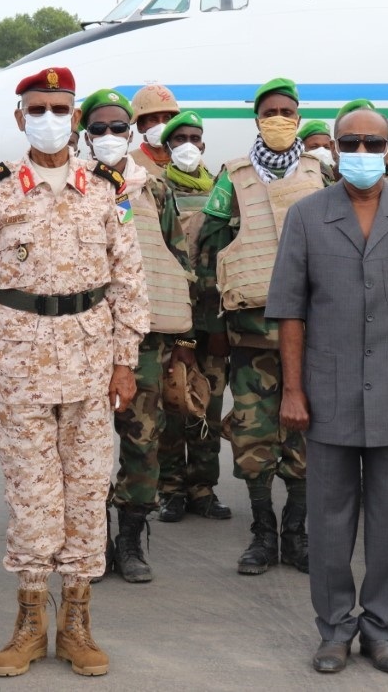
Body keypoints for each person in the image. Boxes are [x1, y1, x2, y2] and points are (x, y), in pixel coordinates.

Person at [0, 66, 148, 677]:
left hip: (91, 363)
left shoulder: (105, 192)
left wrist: (125, 361)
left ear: (75, 118)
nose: (48, 119)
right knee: (32, 494)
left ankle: (79, 624)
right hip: (19, 364)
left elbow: (129, 280)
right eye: (36, 109)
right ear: (20, 119)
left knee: (88, 493)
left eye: (59, 108)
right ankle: (31, 622)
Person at [268, 106, 388, 674]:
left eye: (372, 144)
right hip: (325, 394)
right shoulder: (306, 216)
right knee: (328, 520)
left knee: (387, 521)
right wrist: (293, 391)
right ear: (333, 146)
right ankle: (334, 629)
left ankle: (380, 630)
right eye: (350, 143)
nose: (361, 153)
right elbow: (289, 312)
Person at [197, 77, 325, 576]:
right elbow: (208, 253)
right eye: (270, 111)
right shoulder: (233, 177)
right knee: (254, 442)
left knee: (305, 443)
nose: (279, 119)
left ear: (298, 118)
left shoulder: (321, 173)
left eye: (287, 112)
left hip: (311, 338)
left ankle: (297, 535)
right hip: (250, 336)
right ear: (257, 119)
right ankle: (262, 535)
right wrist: (210, 327)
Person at [78, 88, 195, 583]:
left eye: (117, 129)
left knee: (143, 442)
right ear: (85, 135)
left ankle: (129, 539)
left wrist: (181, 342)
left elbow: (177, 260)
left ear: (130, 133)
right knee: (84, 446)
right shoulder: (73, 185)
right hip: (82, 337)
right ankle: (93, 541)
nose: (108, 137)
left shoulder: (155, 189)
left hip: (143, 342)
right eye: (98, 129)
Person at [156, 110, 232, 522]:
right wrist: (181, 339)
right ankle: (170, 490)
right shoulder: (158, 189)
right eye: (179, 137)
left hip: (214, 320)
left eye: (194, 137)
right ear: (168, 148)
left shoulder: (223, 189)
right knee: (172, 406)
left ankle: (203, 488)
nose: (188, 144)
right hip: (173, 321)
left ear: (203, 144)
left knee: (210, 406)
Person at [128, 84, 180, 173]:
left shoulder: (187, 159)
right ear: (140, 126)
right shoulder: (130, 163)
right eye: (153, 119)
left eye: (166, 119)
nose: (161, 125)